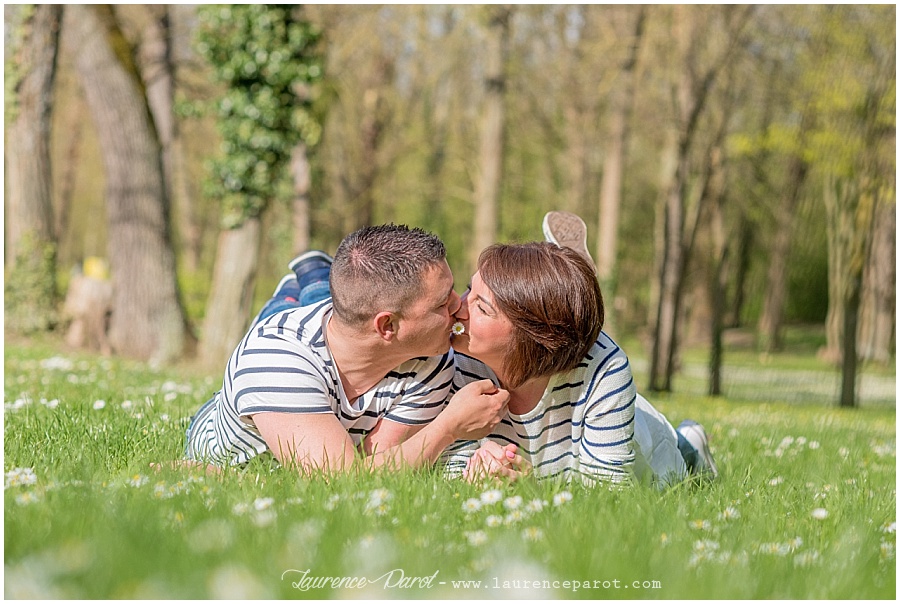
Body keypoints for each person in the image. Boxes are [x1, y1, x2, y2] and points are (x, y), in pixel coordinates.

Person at [184, 224, 509, 473]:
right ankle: (297, 291)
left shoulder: (432, 358)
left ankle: (314, 283)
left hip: (351, 346)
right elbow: (344, 483)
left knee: (340, 316)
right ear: (388, 326)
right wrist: (449, 426)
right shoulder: (274, 359)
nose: (460, 305)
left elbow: (376, 462)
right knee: (286, 321)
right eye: (443, 302)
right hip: (221, 440)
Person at [443, 213, 718, 487]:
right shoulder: (466, 357)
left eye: (481, 307)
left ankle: (690, 445)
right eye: (469, 289)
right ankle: (569, 271)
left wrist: (531, 490)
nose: (459, 306)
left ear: (533, 335)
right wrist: (475, 473)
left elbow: (606, 495)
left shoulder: (606, 369)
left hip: (646, 452)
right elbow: (450, 466)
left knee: (673, 464)